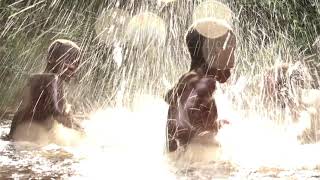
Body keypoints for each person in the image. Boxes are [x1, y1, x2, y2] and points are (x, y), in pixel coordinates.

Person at [165, 19, 236, 152]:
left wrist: (215, 125)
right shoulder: (200, 87)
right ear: (215, 52)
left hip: (187, 169)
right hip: (195, 170)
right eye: (232, 50)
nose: (234, 60)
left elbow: (189, 134)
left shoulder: (191, 82)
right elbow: (200, 145)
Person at [8, 39, 84, 142]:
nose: (73, 67)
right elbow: (59, 114)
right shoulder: (51, 79)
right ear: (51, 58)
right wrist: (85, 133)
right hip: (26, 146)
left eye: (76, 63)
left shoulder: (41, 80)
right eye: (68, 60)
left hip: (20, 142)